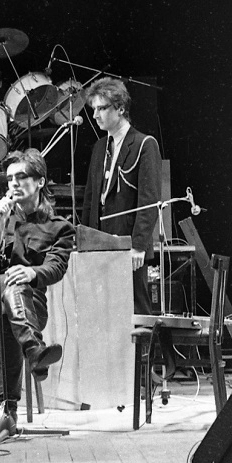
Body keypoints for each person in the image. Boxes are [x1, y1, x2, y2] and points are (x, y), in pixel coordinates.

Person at [0, 149, 74, 433]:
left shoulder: (59, 228)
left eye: (21, 176)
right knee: (8, 286)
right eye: (9, 179)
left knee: (9, 309)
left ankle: (8, 410)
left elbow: (56, 268)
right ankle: (34, 350)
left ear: (40, 181)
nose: (14, 183)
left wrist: (32, 273)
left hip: (31, 308)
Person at [80, 78, 161, 315]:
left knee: (135, 311)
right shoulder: (99, 148)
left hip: (128, 245)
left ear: (120, 108)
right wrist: (85, 240)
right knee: (103, 312)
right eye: (93, 109)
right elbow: (90, 200)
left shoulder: (144, 144)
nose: (95, 115)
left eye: (101, 108)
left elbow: (149, 201)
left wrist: (138, 246)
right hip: (99, 245)